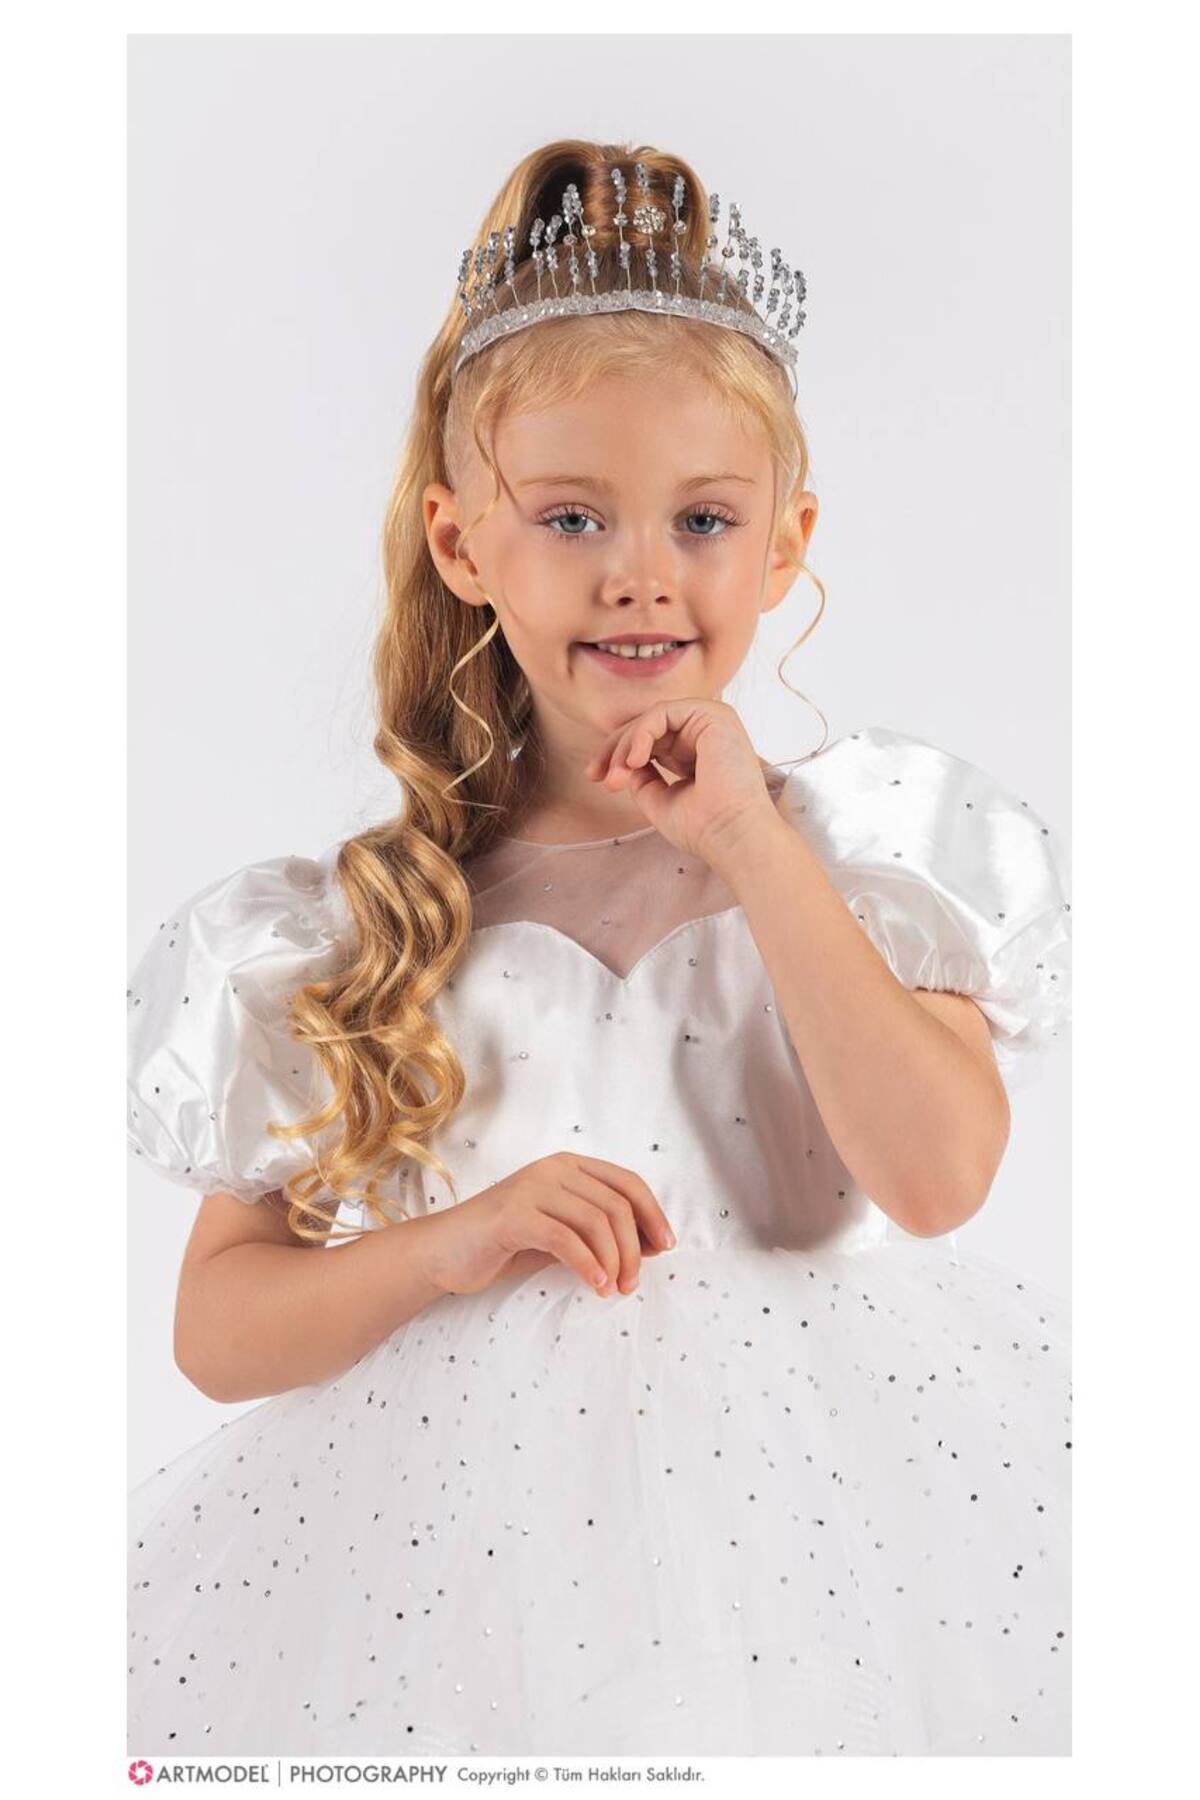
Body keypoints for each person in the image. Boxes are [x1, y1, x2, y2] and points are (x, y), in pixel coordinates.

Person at [127, 138, 1071, 1758]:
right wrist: (449, 1245)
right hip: (456, 1569)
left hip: (826, 1535)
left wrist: (751, 842)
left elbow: (936, 1180)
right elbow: (216, 1330)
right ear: (460, 544)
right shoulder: (371, 926)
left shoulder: (867, 859)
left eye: (703, 519)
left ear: (784, 543)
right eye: (571, 517)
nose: (642, 574)